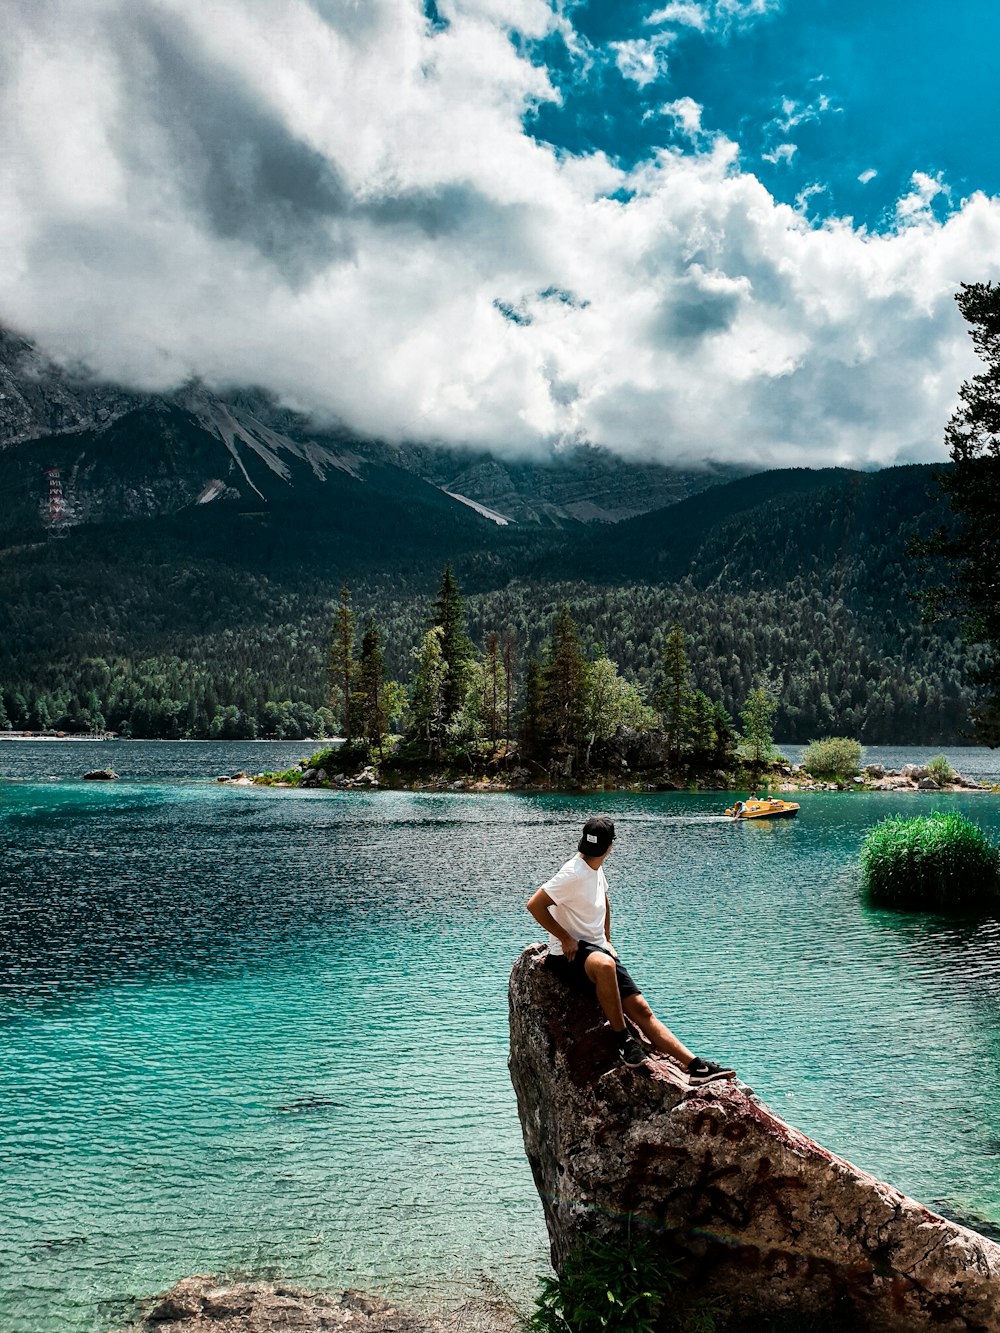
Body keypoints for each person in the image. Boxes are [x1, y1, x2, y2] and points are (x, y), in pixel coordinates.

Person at [526, 816, 734, 1084]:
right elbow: (535, 904)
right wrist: (564, 937)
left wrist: (607, 939)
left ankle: (695, 1067)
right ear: (611, 845)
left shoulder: (594, 867)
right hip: (568, 956)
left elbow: (604, 900)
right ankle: (623, 1039)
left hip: (596, 949)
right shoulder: (572, 872)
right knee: (605, 965)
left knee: (642, 1009)